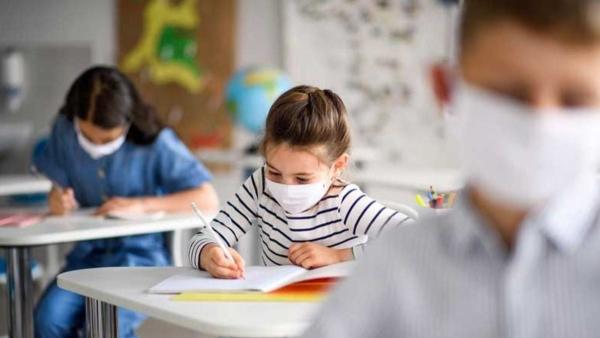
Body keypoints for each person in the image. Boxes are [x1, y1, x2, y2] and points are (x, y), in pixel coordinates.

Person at [301, 0, 600, 337]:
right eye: (510, 95)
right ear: (446, 89)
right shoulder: (394, 266)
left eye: (576, 99)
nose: (541, 123)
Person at [33, 66, 219, 338]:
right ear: (75, 120)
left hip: (140, 258)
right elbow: (57, 182)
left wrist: (142, 205)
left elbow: (207, 198)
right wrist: (57, 199)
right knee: (48, 320)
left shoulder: (157, 143)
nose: (97, 145)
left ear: (128, 121)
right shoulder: (63, 131)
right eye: (87, 136)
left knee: (108, 328)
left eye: (107, 139)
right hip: (86, 258)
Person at [187, 85, 411, 278]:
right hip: (278, 312)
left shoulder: (344, 202)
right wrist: (210, 253)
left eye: (302, 179)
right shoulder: (259, 185)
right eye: (274, 172)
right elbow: (206, 236)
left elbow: (413, 238)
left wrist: (339, 255)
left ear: (337, 166)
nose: (285, 188)